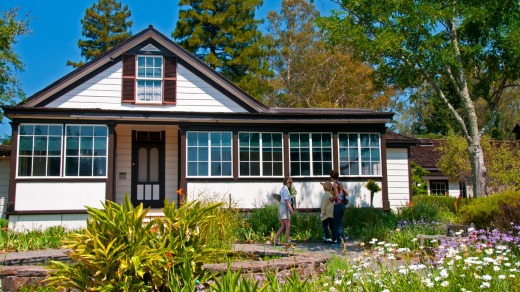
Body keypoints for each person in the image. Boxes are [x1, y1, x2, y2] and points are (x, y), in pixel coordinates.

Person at [329, 170, 349, 244]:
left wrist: (331, 199)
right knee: (340, 222)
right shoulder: (340, 183)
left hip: (337, 205)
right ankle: (343, 238)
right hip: (342, 204)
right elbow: (347, 193)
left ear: (331, 177)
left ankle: (338, 242)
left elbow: (336, 195)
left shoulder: (334, 184)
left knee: (336, 223)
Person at [274, 176, 295, 244]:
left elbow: (280, 199)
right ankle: (288, 240)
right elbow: (286, 200)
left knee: (283, 226)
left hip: (281, 207)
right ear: (287, 183)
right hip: (284, 208)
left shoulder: (282, 189)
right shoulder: (285, 190)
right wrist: (291, 209)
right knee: (288, 225)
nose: (291, 184)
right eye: (290, 183)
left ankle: (276, 239)